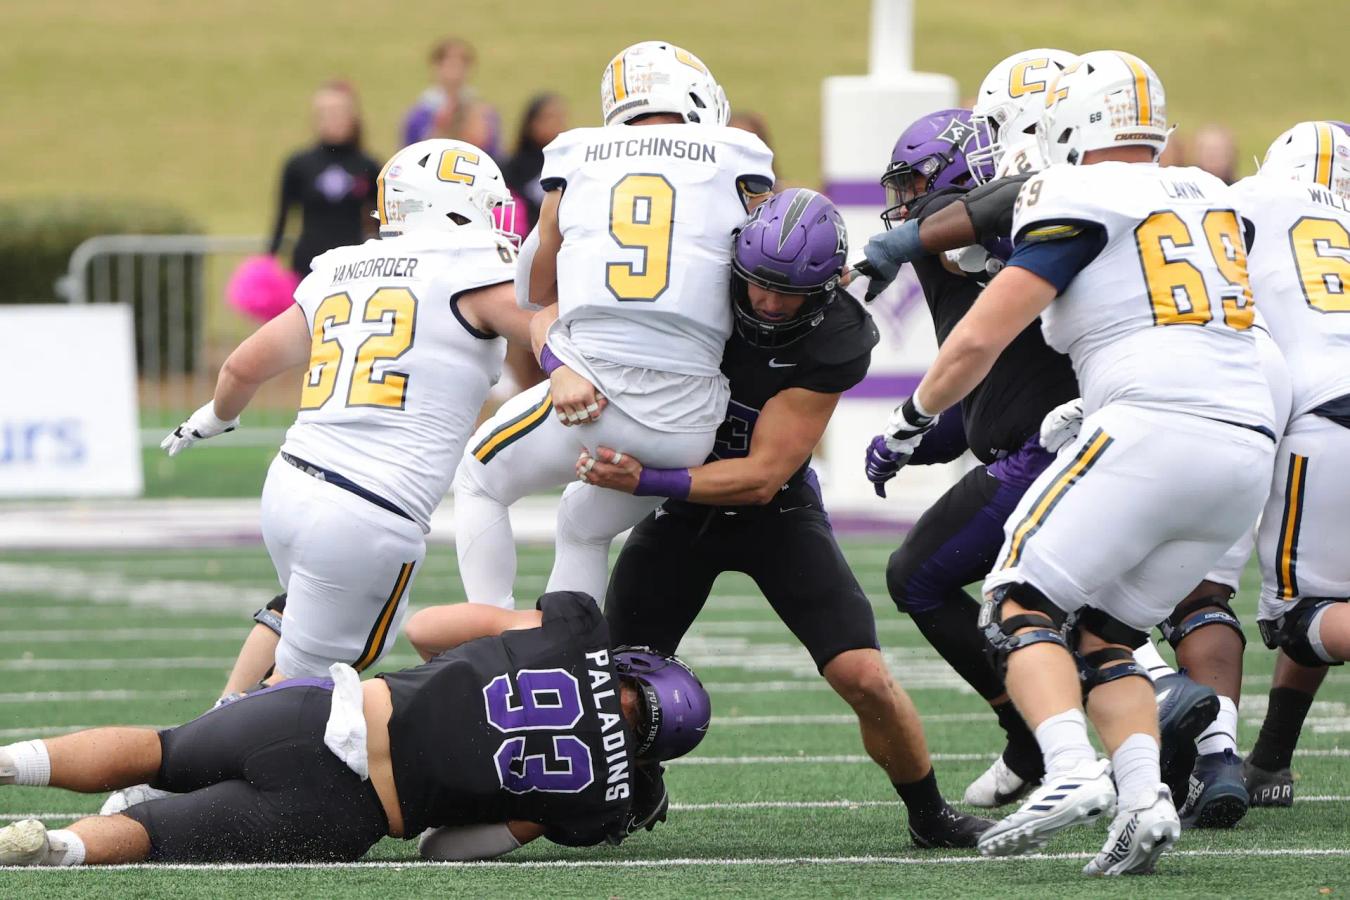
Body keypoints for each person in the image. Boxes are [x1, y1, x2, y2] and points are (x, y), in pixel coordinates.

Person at [853, 56, 1284, 825]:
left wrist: (909, 420)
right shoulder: (1209, 194)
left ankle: (1067, 762)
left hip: (1146, 424)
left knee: (1017, 601)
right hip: (1246, 436)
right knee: (1106, 630)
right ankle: (1150, 797)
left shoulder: (1069, 190)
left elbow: (977, 343)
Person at [574, 188, 991, 848]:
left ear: (825, 290)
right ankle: (638, 773)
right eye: (759, 284)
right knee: (607, 680)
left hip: (774, 512)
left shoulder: (837, 336)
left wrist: (646, 477)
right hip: (681, 514)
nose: (768, 303)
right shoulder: (695, 293)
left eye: (788, 292)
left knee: (865, 677)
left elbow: (765, 477)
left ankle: (929, 812)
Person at [162, 139, 531, 690]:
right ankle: (188, 764)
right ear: (453, 205)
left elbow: (242, 367)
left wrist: (216, 418)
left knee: (300, 612)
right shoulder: (471, 268)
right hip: (369, 509)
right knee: (301, 690)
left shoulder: (343, 267)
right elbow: (550, 337)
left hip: (289, 486)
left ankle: (217, 723)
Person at [0, 593, 707, 866]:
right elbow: (445, 852)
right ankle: (53, 848)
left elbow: (426, 629)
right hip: (349, 809)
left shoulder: (574, 632)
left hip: (324, 711)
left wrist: (471, 673)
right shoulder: (599, 802)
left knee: (164, 748)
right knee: (156, 834)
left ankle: (10, 763)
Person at [452, 40, 775, 609]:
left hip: (593, 398)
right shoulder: (737, 157)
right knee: (583, 522)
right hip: (691, 425)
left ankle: (492, 637)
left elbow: (533, 292)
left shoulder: (577, 157)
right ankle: (572, 658)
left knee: (479, 478)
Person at [860, 94, 1079, 810]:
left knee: (923, 576)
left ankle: (1038, 736)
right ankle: (1194, 757)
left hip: (1065, 448)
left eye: (917, 188)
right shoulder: (958, 255)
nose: (905, 208)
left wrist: (911, 424)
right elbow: (989, 399)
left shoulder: (1034, 228)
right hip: (1051, 444)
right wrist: (916, 442)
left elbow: (991, 359)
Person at [1236, 121, 1350, 806]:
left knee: (1298, 615)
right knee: (1320, 598)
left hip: (1326, 413)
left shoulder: (1254, 198)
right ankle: (1270, 759)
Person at [268, 81, 382, 277]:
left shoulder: (369, 166)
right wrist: (268, 262)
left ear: (353, 117)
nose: (333, 120)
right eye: (326, 114)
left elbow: (381, 219)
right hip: (308, 264)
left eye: (339, 112)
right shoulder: (298, 164)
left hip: (355, 265)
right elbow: (282, 217)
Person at [402, 37, 499, 154]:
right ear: (436, 67)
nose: (455, 72)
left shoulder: (482, 111)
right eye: (449, 65)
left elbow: (493, 153)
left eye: (461, 64)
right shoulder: (420, 114)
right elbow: (410, 151)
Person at [504, 93, 570, 230]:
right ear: (531, 123)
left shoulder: (569, 164)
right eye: (549, 118)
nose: (556, 124)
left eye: (560, 118)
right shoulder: (513, 168)